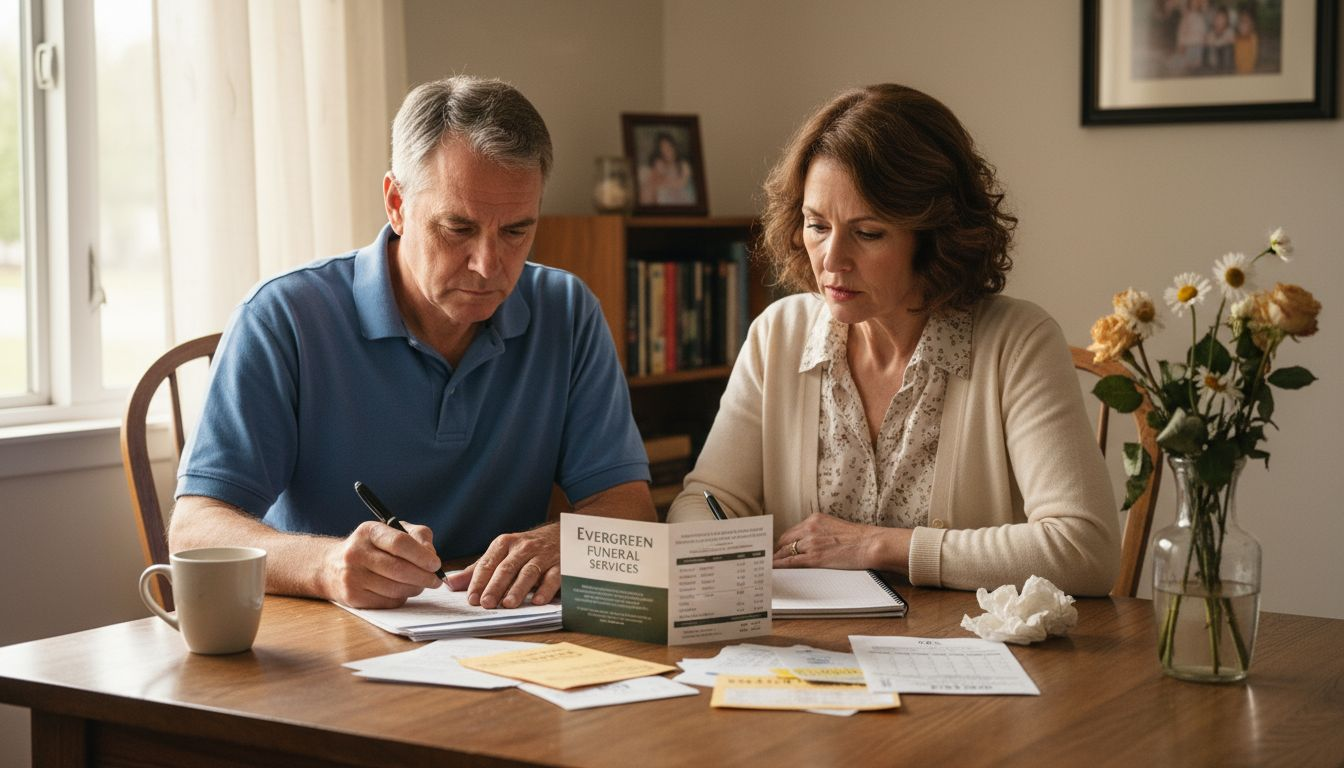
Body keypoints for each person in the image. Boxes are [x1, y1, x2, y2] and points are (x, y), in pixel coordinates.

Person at [172, 76, 656, 611]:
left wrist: (565, 541)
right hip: (326, 639)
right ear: (397, 203)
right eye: (457, 228)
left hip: (499, 630)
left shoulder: (566, 311)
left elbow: (630, 508)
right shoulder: (284, 316)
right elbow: (195, 530)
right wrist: (328, 567)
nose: (489, 265)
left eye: (517, 231)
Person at [666, 84, 1120, 597]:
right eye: (817, 225)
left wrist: (879, 545)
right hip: (807, 656)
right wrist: (707, 549)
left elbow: (1085, 550)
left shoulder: (1018, 342)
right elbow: (705, 500)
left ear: (934, 236)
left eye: (868, 232)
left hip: (966, 658)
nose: (832, 259)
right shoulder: (778, 334)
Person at [638, 132, 695, 205]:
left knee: (660, 191)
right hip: (662, 193)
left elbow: (681, 184)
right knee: (648, 188)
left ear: (674, 147)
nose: (666, 151)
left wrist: (663, 182)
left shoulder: (683, 165)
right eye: (662, 148)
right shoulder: (659, 163)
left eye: (668, 147)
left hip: (680, 196)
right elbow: (652, 180)